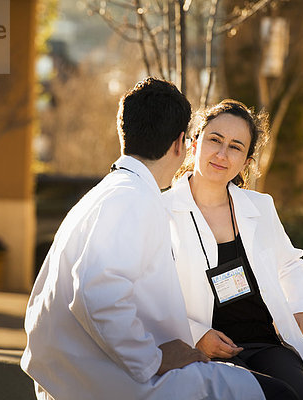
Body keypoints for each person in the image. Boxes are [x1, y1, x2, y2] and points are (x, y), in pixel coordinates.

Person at [20, 79, 269, 400]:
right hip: (118, 382)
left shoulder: (108, 193)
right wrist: (154, 358)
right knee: (279, 394)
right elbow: (97, 294)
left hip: (82, 376)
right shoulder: (131, 198)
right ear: (182, 143)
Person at [163, 99, 303, 399]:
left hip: (265, 344)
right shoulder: (162, 211)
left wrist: (302, 307)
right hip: (208, 351)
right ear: (194, 144)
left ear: (247, 161)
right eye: (215, 140)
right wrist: (197, 335)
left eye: (236, 147)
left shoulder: (260, 207)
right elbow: (150, 296)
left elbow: (290, 264)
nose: (222, 154)